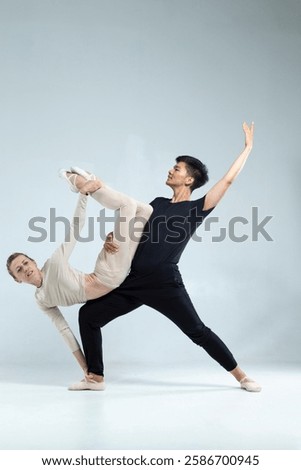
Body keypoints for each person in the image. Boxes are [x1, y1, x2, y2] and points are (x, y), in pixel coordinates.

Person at [73, 122, 262, 392]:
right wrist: (112, 239)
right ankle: (96, 377)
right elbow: (132, 230)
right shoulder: (157, 203)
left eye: (177, 168)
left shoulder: (197, 208)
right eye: (172, 166)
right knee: (88, 315)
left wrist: (248, 148)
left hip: (164, 283)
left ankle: (242, 376)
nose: (170, 170)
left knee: (197, 331)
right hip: (134, 281)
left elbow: (228, 180)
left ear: (189, 179)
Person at [6, 168, 153, 388]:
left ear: (34, 262)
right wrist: (86, 369)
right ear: (17, 280)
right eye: (19, 270)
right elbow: (64, 330)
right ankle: (87, 182)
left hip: (108, 272)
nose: (25, 268)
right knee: (145, 210)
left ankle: (84, 185)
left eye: (26, 262)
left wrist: (83, 196)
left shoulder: (55, 262)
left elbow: (76, 227)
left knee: (130, 207)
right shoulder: (41, 300)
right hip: (110, 273)